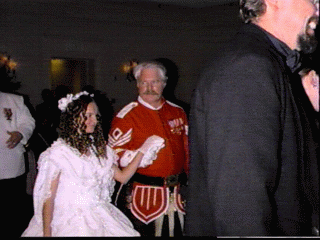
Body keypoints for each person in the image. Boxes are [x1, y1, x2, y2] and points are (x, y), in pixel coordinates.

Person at [185, 0, 319, 236]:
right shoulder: (248, 67)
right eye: (313, 0)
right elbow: (240, 202)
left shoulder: (272, 64)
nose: (317, 10)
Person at [22, 91, 163, 237]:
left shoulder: (100, 151)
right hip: (68, 221)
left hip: (100, 216)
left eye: (95, 116)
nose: (93, 120)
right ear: (73, 118)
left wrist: (142, 152)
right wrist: (47, 234)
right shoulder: (59, 154)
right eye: (88, 115)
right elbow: (48, 198)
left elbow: (123, 177)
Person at [108, 61, 189, 236]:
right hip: (143, 199)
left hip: (178, 195)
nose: (149, 87)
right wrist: (139, 156)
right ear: (137, 85)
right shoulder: (127, 116)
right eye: (144, 83)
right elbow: (113, 156)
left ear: (164, 83)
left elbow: (188, 152)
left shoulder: (178, 112)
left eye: (154, 82)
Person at [0, 53, 36, 237]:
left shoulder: (13, 100)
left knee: (11, 216)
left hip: (11, 169)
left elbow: (28, 122)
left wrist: (20, 133)